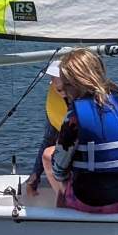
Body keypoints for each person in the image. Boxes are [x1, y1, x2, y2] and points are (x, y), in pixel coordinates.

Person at [41, 49, 118, 213]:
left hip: (91, 201)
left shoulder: (75, 114)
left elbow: (59, 170)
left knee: (50, 157)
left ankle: (63, 221)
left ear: (75, 83)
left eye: (66, 84)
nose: (64, 92)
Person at [24, 59, 67, 196]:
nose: (53, 81)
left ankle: (66, 204)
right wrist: (34, 177)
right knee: (48, 154)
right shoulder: (55, 98)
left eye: (57, 77)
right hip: (72, 155)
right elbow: (49, 139)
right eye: (52, 77)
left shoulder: (88, 101)